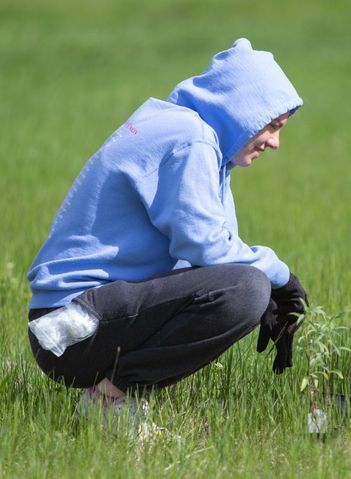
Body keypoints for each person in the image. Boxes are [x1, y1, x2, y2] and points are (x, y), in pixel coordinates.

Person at [26, 39, 308, 418]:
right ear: (243, 107)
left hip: (76, 320)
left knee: (245, 285)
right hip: (67, 327)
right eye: (272, 126)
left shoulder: (194, 137)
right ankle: (108, 404)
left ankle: (112, 398)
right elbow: (206, 250)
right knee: (246, 288)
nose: (275, 143)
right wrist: (278, 275)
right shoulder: (189, 139)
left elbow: (214, 258)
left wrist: (262, 285)